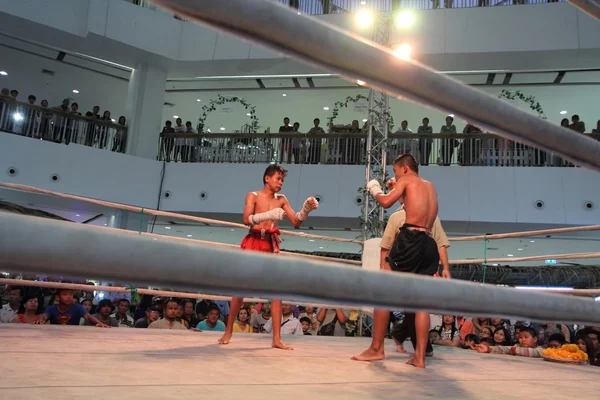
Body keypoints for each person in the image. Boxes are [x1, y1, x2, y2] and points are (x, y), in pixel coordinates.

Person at [218, 165, 318, 350]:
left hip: (270, 245)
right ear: (267, 178)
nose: (280, 182)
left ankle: (276, 339)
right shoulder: (253, 196)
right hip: (253, 242)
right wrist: (268, 215)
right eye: (278, 179)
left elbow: (296, 221)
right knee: (239, 291)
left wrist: (306, 210)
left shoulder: (282, 200)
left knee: (276, 292)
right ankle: (228, 331)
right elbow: (246, 219)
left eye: (282, 180)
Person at [353, 154, 439, 368]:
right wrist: (397, 188)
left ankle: (376, 349)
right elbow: (416, 209)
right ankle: (419, 357)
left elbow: (385, 202)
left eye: (396, 171)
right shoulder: (429, 186)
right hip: (428, 242)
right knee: (422, 303)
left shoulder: (406, 180)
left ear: (405, 168)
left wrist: (374, 188)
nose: (395, 175)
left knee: (383, 290)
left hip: (410, 239)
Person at [36, 288, 109, 327]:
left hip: (73, 336)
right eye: (65, 294)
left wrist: (99, 323)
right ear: (58, 297)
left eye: (70, 294)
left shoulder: (77, 307)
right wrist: (40, 320)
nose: (69, 297)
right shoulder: (51, 308)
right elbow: (44, 316)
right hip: (55, 336)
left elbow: (88, 317)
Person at [476, 326, 543, 358]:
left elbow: (533, 352)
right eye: (520, 337)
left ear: (535, 339)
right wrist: (489, 349)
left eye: (526, 337)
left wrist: (516, 350)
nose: (523, 340)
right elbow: (506, 349)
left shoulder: (541, 350)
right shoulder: (517, 346)